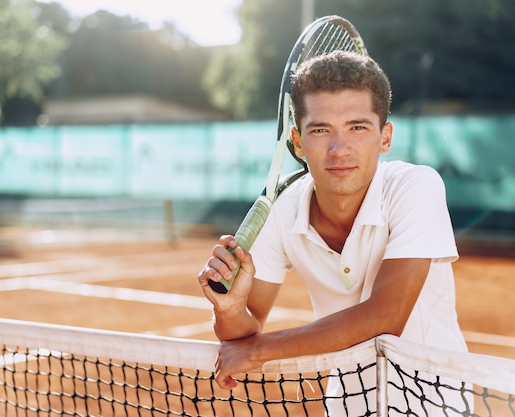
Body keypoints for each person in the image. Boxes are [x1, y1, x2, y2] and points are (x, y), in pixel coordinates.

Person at [197, 50, 470, 415]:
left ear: (385, 137)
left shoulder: (416, 187)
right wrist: (229, 308)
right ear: (297, 140)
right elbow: (241, 335)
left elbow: (385, 319)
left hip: (436, 405)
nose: (340, 149)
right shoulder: (283, 210)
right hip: (347, 406)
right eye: (321, 129)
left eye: (357, 128)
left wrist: (261, 349)